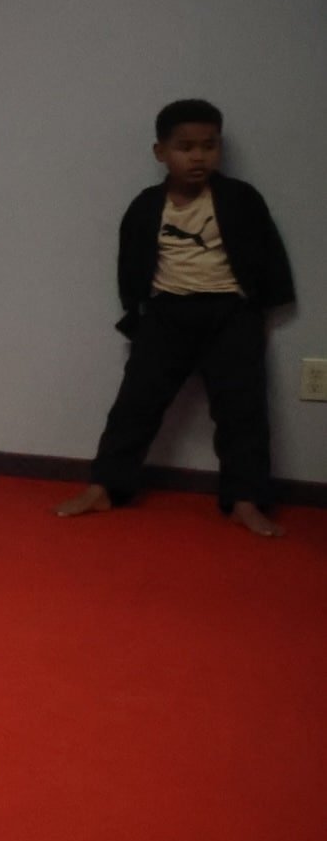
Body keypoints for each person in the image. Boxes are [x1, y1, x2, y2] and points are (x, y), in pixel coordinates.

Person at [53, 101, 293, 538]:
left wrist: (258, 311)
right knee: (134, 405)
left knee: (243, 411)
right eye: (185, 147)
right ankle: (105, 486)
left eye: (209, 146)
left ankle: (245, 500)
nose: (198, 156)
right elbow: (130, 264)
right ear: (160, 152)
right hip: (166, 316)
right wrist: (137, 314)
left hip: (231, 315)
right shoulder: (147, 206)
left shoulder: (241, 199)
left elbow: (268, 254)